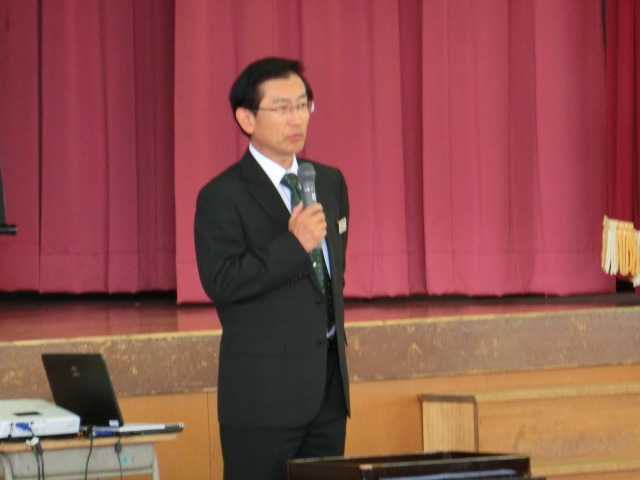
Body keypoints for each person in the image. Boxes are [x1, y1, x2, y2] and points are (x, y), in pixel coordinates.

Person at [194, 57, 350, 480]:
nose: (296, 118)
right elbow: (221, 281)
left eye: (302, 105)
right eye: (282, 108)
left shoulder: (329, 182)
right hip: (263, 397)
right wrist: (293, 245)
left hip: (327, 391)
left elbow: (328, 282)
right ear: (246, 118)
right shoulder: (222, 195)